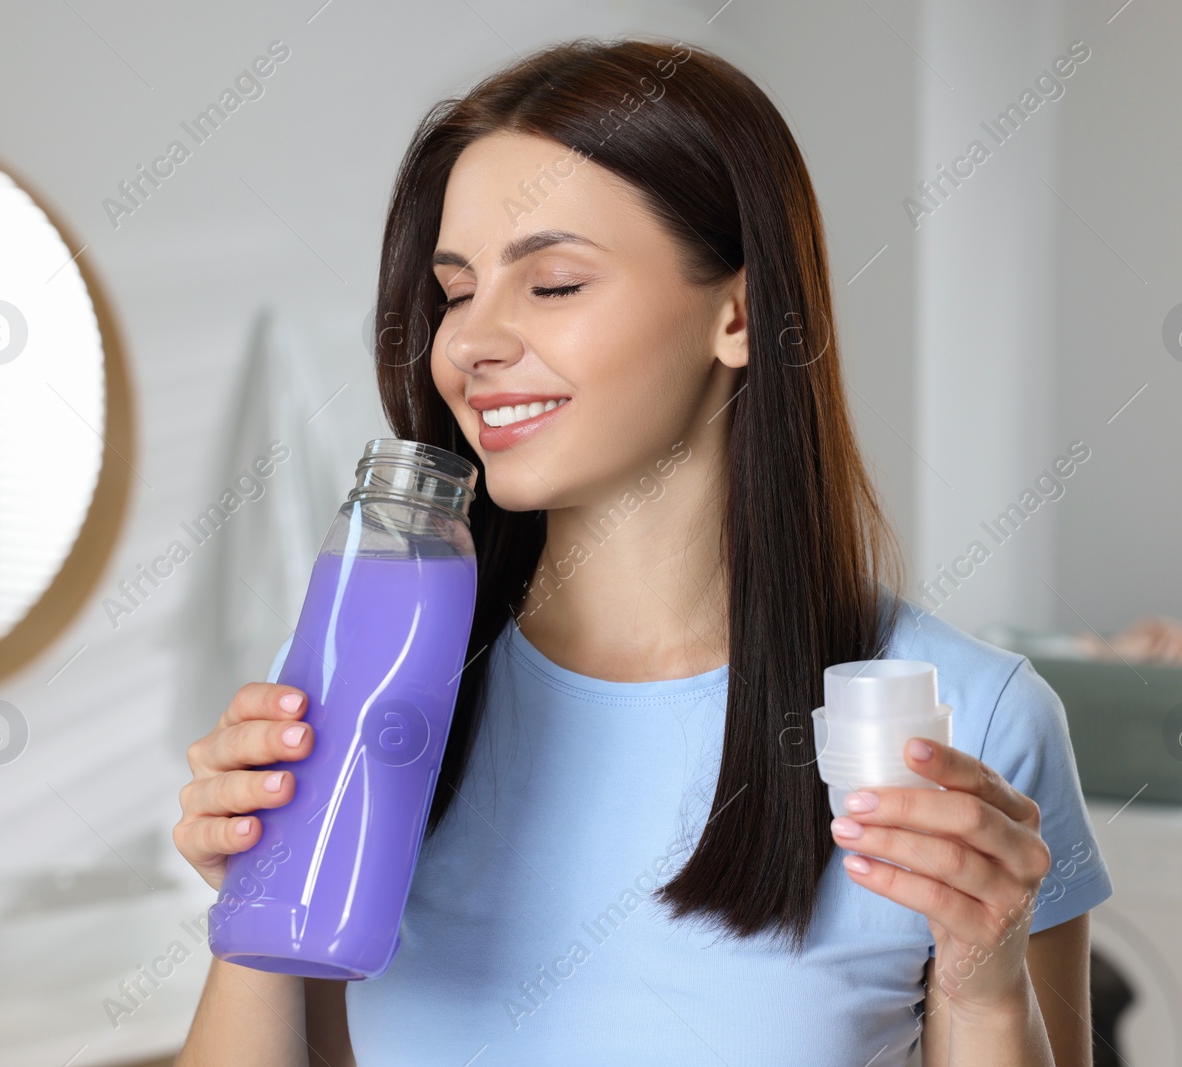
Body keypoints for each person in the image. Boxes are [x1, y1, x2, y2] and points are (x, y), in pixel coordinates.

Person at [174, 35, 1112, 1067]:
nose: (468, 341)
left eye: (554, 283)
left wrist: (983, 997)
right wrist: (261, 899)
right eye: (454, 289)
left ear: (740, 315)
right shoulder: (374, 684)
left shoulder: (972, 726)